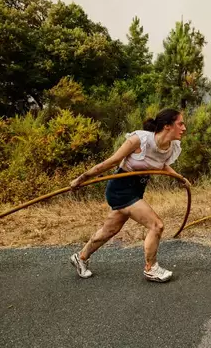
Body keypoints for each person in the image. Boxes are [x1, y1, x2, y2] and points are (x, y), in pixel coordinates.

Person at [68, 108, 187, 283]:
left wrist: (180, 178)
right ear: (167, 126)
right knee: (157, 225)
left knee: (109, 230)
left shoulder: (170, 147)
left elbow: (161, 165)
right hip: (120, 189)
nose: (184, 128)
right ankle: (151, 268)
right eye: (180, 124)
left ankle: (81, 257)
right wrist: (82, 178)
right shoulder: (140, 140)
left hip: (137, 190)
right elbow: (111, 162)